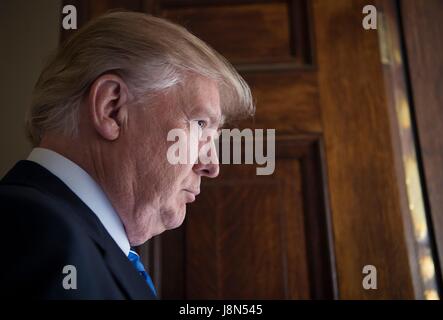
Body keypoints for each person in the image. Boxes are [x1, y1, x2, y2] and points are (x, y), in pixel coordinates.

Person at [0, 11, 253, 299]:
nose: (211, 165)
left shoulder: (63, 234)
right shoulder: (32, 230)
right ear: (112, 109)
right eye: (199, 125)